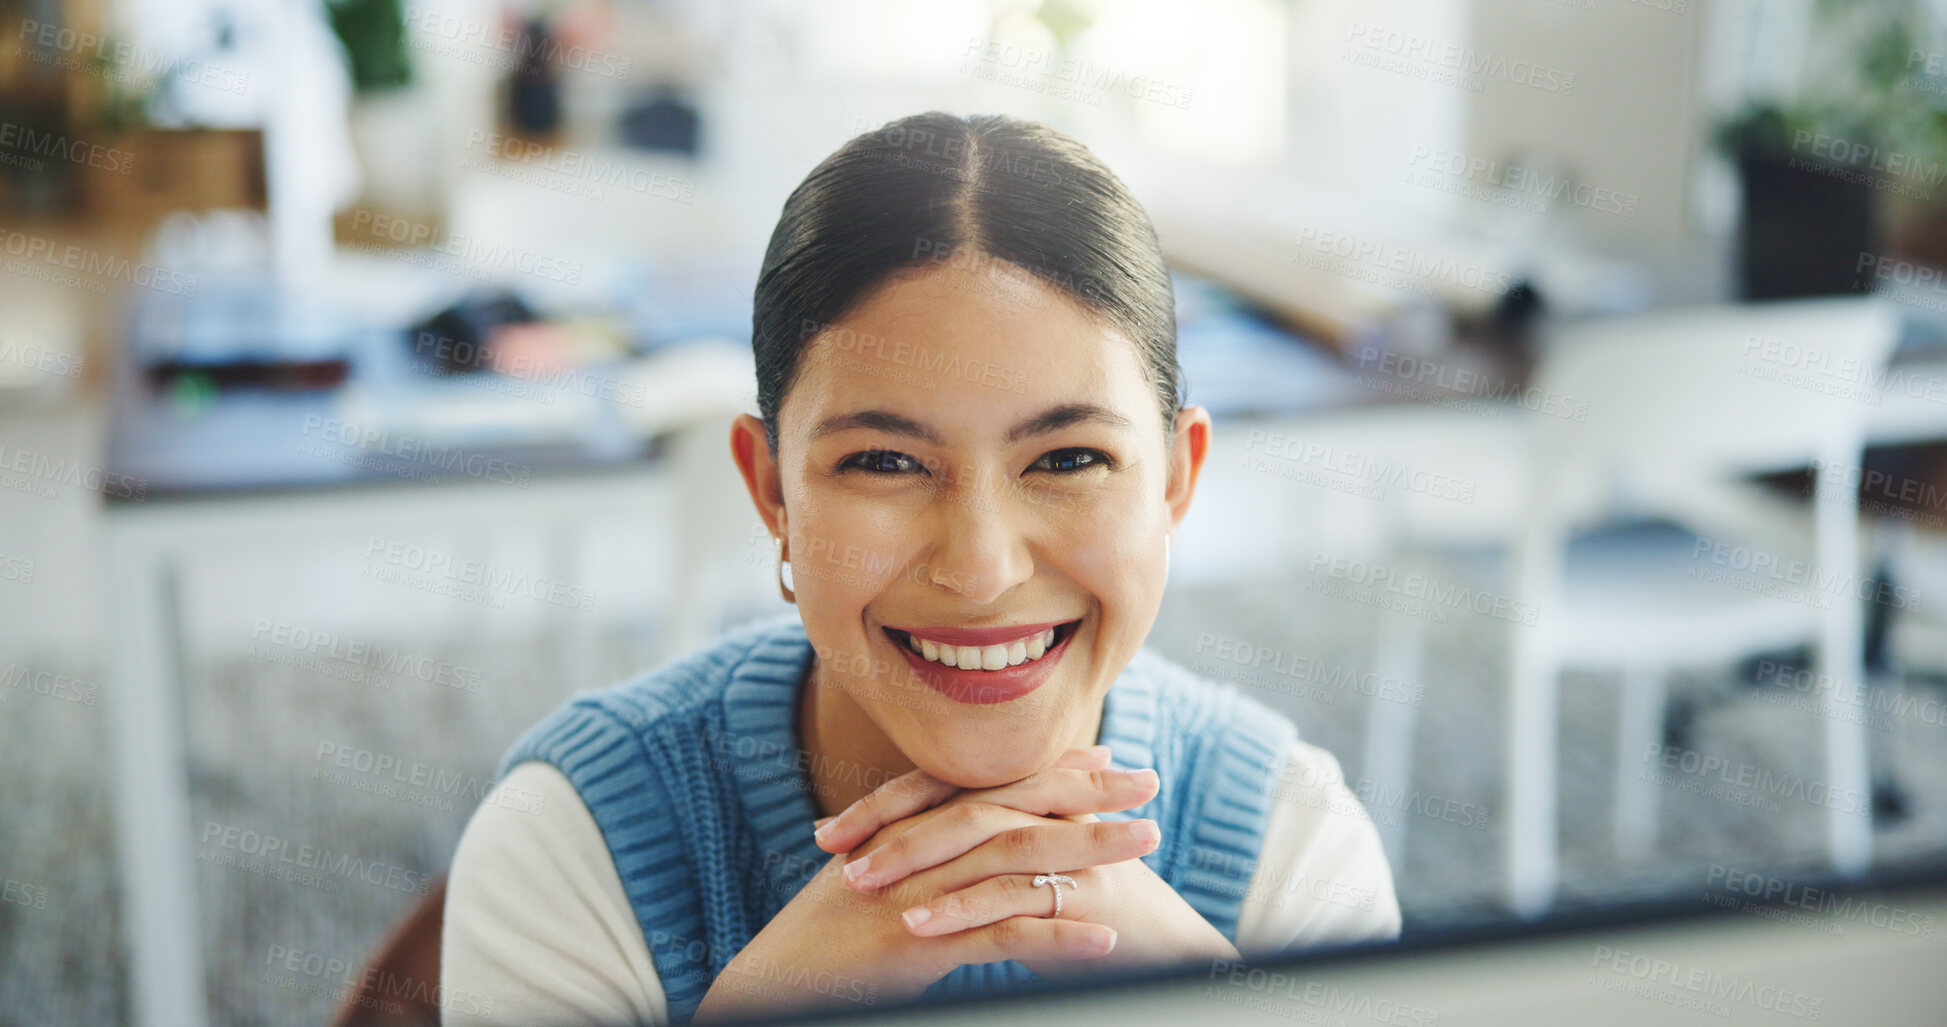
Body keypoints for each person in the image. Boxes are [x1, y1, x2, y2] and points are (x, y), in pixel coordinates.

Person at [439, 111, 1400, 1026]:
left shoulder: (1292, 837)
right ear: (772, 491)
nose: (980, 569)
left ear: (1175, 481)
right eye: (885, 462)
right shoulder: (571, 844)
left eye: (1067, 459)